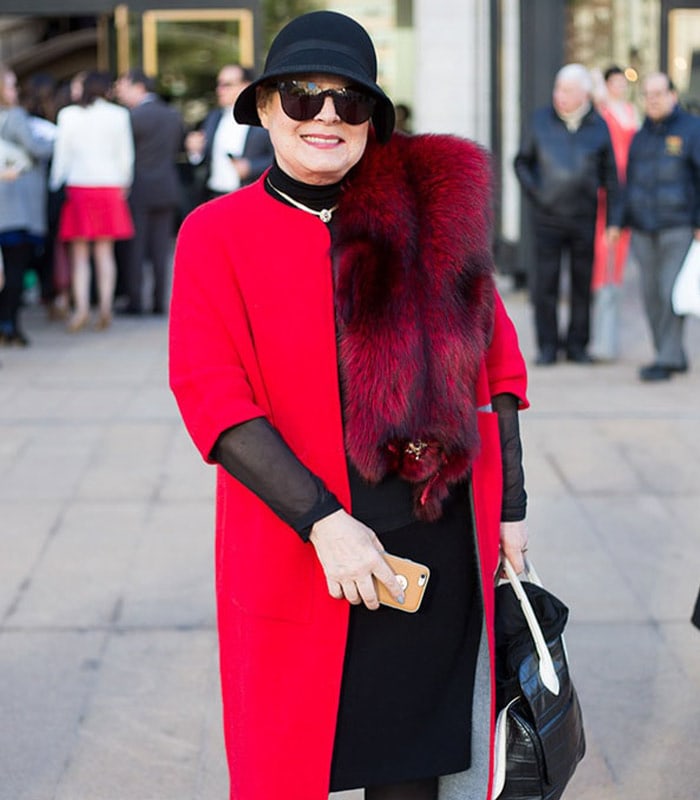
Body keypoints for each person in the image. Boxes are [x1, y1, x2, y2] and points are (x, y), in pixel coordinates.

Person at [170, 11, 530, 800]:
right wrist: (324, 524)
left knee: (412, 776)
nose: (325, 116)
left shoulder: (430, 222)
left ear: (374, 123)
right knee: (284, 766)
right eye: (301, 97)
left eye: (350, 102)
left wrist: (514, 508)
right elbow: (210, 393)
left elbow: (496, 366)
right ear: (264, 109)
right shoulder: (215, 233)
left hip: (426, 547)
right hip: (294, 542)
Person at [514, 63, 622, 365]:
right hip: (546, 218)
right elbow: (521, 163)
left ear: (585, 95)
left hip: (583, 218)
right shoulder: (539, 121)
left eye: (568, 91)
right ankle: (548, 346)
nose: (560, 96)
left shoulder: (598, 127)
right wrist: (537, 193)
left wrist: (613, 220)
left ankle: (577, 345)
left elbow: (612, 177)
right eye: (558, 89)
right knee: (545, 285)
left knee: (580, 285)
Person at [624, 72, 700, 381]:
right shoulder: (640, 136)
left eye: (658, 93)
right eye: (647, 94)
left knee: (670, 291)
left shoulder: (692, 130)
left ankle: (667, 358)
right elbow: (628, 182)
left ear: (672, 95)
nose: (652, 100)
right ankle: (672, 354)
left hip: (678, 225)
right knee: (651, 294)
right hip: (643, 227)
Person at [49, 71, 134, 332]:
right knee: (105, 253)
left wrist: (53, 185)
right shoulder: (119, 115)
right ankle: (106, 307)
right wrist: (124, 184)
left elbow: (61, 157)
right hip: (109, 186)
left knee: (79, 255)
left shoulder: (68, 116)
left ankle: (82, 309)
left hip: (79, 187)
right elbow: (126, 154)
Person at [115, 68, 185, 315]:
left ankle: (135, 301)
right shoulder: (172, 115)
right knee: (160, 249)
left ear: (139, 87)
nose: (120, 93)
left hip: (139, 188)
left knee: (136, 248)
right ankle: (159, 302)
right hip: (166, 186)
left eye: (123, 87)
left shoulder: (132, 118)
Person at [0, 63, 54, 346]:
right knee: (14, 270)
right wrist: (56, 142)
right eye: (10, 85)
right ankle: (9, 324)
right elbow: (37, 148)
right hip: (13, 206)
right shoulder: (15, 117)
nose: (16, 91)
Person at [589, 65, 639, 360]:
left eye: (622, 82)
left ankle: (609, 333)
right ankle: (599, 333)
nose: (620, 86)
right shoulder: (601, 112)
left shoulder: (630, 111)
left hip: (626, 189)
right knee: (601, 255)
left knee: (618, 257)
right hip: (605, 190)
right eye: (615, 82)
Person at [184, 64, 273, 203]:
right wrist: (195, 151)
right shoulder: (213, 117)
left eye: (227, 85)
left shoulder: (263, 118)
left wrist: (251, 167)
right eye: (219, 84)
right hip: (214, 195)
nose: (220, 90)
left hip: (249, 198)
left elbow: (278, 158)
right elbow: (205, 158)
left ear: (245, 86)